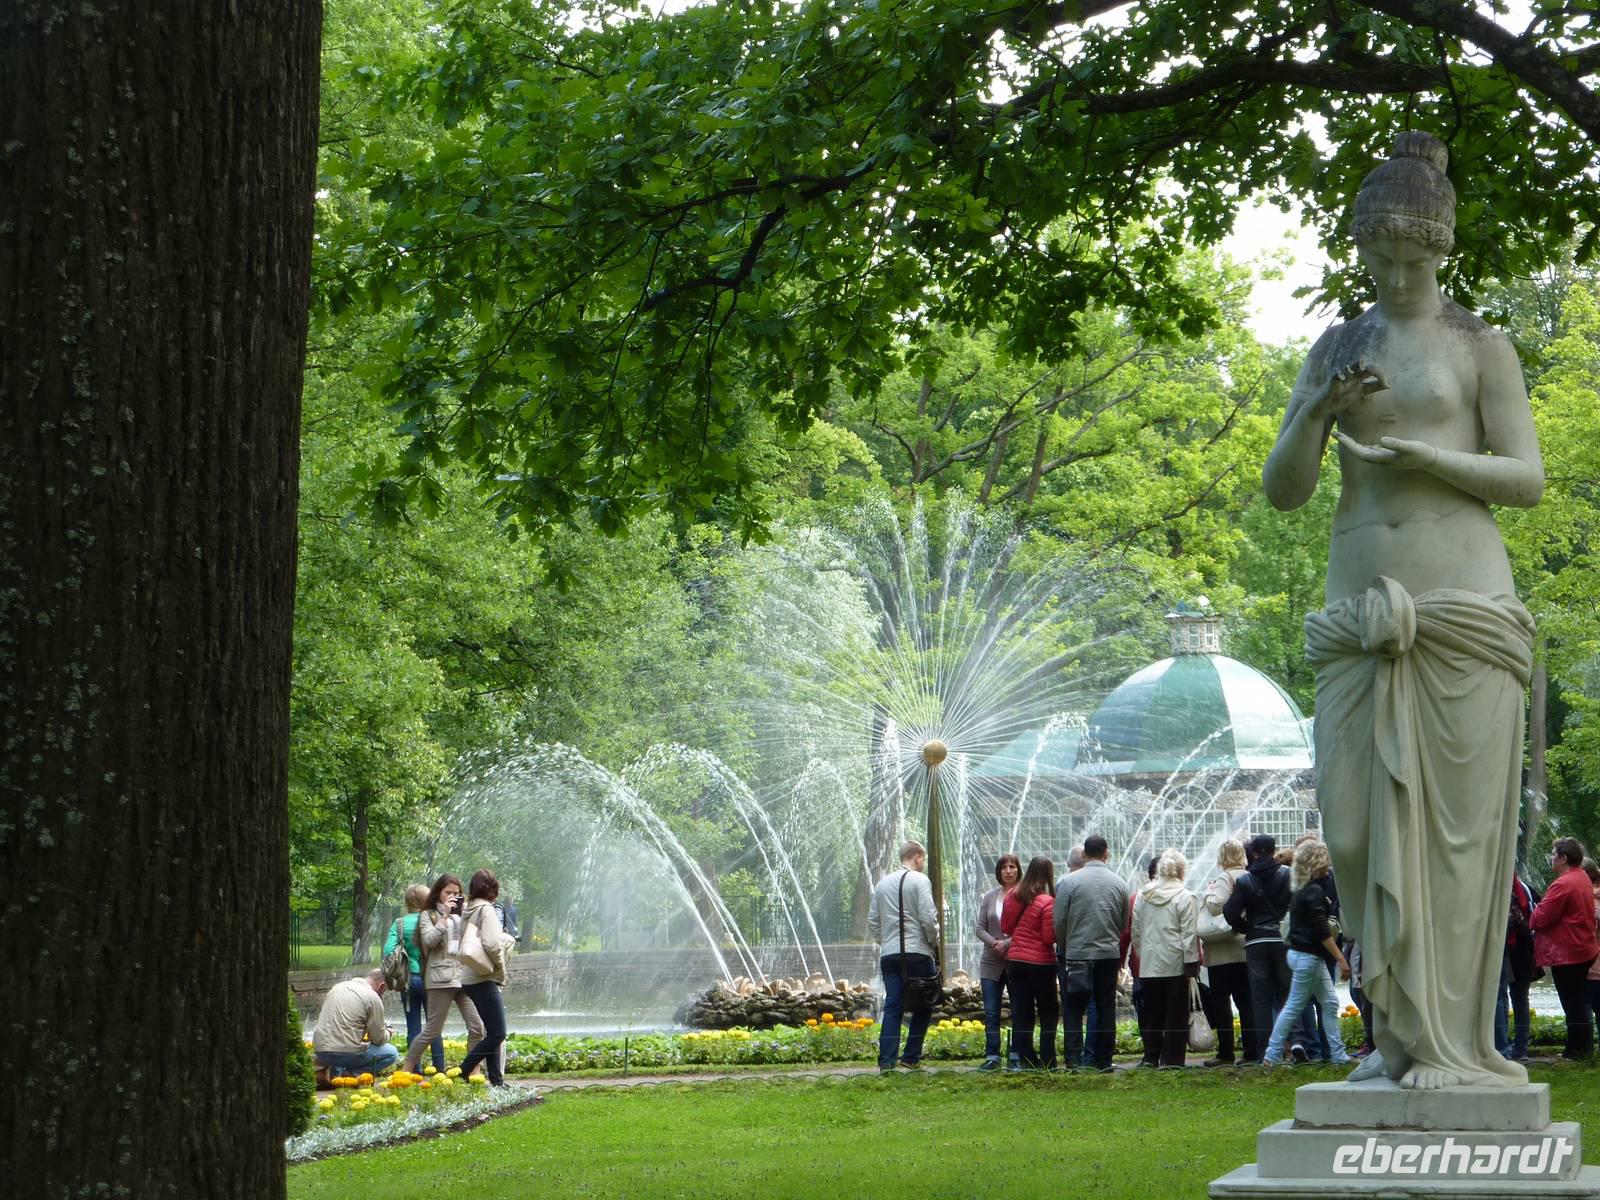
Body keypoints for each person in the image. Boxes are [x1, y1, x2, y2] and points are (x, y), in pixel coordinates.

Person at [1264, 129, 1543, 1091]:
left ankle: (1448, 1049)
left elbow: (1526, 478)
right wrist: (1314, 416)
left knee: (1456, 845)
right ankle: (1393, 1037)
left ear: (1440, 250)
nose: (1392, 273)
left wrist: (1429, 459)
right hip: (1357, 612)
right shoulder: (1339, 348)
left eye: (1410, 258)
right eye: (1378, 256)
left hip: (1463, 609)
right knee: (1353, 831)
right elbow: (1285, 491)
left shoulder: (1480, 347)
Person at [1262, 841, 1354, 1067]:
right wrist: (1341, 959)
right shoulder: (1314, 892)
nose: (1328, 866)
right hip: (1309, 957)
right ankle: (1271, 1055)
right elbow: (1321, 930)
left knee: (1330, 1002)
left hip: (1303, 955)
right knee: (1294, 1005)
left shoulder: (1302, 888)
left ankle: (1338, 1055)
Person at [1054, 833, 1129, 1073]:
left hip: (1077, 952)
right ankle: (1104, 1060)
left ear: (1084, 855)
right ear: (1106, 853)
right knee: (1106, 1006)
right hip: (1108, 953)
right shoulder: (1119, 883)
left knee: (1074, 1008)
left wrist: (1066, 944)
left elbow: (1059, 921)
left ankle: (1073, 1060)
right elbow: (1122, 920)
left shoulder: (1069, 882)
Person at [867, 840, 941, 1072]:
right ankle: (910, 1056)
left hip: (889, 955)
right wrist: (932, 941)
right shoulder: (920, 880)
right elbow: (928, 918)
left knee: (893, 1006)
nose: (923, 864)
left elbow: (872, 922)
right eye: (923, 860)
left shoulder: (882, 884)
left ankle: (887, 1062)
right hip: (917, 952)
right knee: (925, 1004)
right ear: (917, 857)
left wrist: (886, 941)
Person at [403, 873, 488, 1075]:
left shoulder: (464, 913)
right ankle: (406, 1069)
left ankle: (473, 1071)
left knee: (477, 1027)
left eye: (457, 893)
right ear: (438, 893)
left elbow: (475, 939)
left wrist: (467, 916)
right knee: (432, 1029)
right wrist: (445, 917)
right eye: (448, 892)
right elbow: (430, 941)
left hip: (465, 976)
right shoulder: (428, 915)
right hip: (440, 978)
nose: (453, 896)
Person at [1223, 834, 1292, 1063]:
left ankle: (1266, 1052)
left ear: (1252, 853)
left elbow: (1230, 912)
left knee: (1260, 999)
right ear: (1274, 850)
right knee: (1286, 996)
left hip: (1256, 942)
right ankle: (1290, 1047)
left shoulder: (1245, 881)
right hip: (1282, 940)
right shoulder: (1287, 875)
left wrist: (1248, 928)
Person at [1530, 838, 1600, 1060]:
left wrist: (1533, 912)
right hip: (1583, 948)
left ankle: (1575, 1051)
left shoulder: (1564, 883)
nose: (1551, 858)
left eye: (1553, 855)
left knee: (1572, 1003)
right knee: (1579, 1001)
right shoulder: (1582, 878)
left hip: (1568, 952)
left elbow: (1541, 917)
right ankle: (1583, 1048)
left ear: (1563, 858)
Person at [1132, 849, 1198, 1068]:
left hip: (1150, 962)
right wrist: (1192, 963)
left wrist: (1143, 953)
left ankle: (1150, 1056)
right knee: (1176, 1014)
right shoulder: (1184, 896)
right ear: (1180, 871)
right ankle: (1173, 1060)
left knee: (1151, 1012)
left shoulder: (1143, 894)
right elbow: (1188, 934)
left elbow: (1136, 930)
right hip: (1175, 962)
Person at [454, 869, 515, 1086]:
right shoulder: (487, 910)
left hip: (469, 977)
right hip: (484, 977)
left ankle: (496, 1082)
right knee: (498, 1033)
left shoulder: (468, 909)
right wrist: (499, 963)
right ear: (492, 888)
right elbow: (491, 944)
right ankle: (462, 1072)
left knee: (491, 1031)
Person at [1198, 838, 1253, 1065]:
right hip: (1244, 949)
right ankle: (1251, 1051)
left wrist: (1209, 892)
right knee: (1246, 1001)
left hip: (1222, 951)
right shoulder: (1249, 876)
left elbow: (1216, 904)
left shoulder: (1226, 877)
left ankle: (1226, 1052)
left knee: (1222, 1002)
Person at [1002, 855, 1059, 1069]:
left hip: (1015, 961)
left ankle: (1026, 1059)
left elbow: (1007, 927)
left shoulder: (1012, 895)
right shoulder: (1047, 901)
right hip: (1041, 964)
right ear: (1047, 875)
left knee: (1022, 1012)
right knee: (1048, 1012)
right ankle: (1048, 1060)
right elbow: (1047, 938)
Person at [383, 883, 443, 1072]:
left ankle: (414, 1070)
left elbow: (388, 951)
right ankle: (439, 1069)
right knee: (434, 1027)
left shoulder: (399, 923)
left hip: (409, 981)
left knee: (414, 1027)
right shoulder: (434, 920)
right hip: (432, 980)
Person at [974, 853, 1021, 1071]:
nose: (1009, 870)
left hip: (1016, 959)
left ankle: (1016, 1054)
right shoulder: (989, 897)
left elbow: (1027, 927)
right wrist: (995, 943)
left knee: (1019, 1009)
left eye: (1013, 866)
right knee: (991, 1011)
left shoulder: (1024, 896)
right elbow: (979, 928)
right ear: (999, 872)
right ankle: (992, 1055)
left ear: (1018, 870)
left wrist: (1008, 943)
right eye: (1004, 867)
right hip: (991, 961)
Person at [311, 968, 399, 1079]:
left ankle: (334, 1074)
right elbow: (379, 1039)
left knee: (342, 1043)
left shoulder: (337, 988)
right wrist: (388, 1033)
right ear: (381, 986)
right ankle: (349, 1075)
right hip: (347, 1054)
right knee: (392, 1053)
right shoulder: (372, 996)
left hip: (321, 1051)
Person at [1494, 873, 1537, 1060]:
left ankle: (1504, 1045)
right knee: (1518, 998)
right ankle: (1518, 1045)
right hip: (1523, 951)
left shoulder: (1504, 891)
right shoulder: (1525, 888)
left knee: (1502, 997)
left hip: (1511, 951)